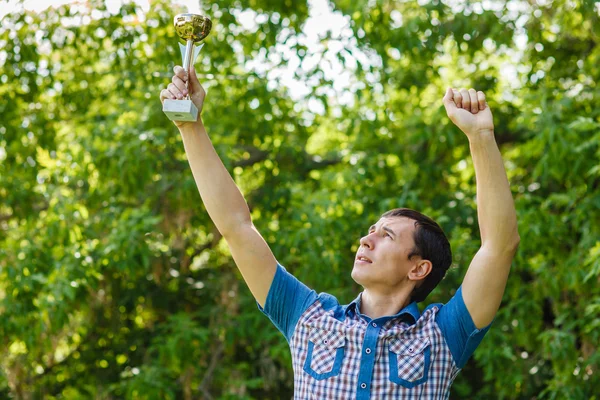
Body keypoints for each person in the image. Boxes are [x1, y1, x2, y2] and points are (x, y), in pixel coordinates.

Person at [160, 65, 520, 399]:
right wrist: (190, 126)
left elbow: (499, 246)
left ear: (418, 268)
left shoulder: (443, 335)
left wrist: (481, 136)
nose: (366, 240)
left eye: (387, 236)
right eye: (371, 231)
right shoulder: (307, 317)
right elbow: (237, 227)